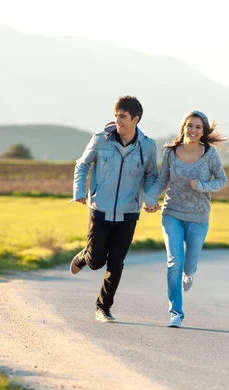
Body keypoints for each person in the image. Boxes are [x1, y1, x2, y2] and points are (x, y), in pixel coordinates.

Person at [70, 96, 158, 323]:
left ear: (135, 119)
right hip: (100, 209)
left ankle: (103, 307)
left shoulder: (147, 146)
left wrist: (149, 199)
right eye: (116, 115)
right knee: (96, 261)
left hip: (129, 213)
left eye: (123, 116)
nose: (117, 120)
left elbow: (151, 176)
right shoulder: (100, 140)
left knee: (116, 263)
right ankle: (86, 255)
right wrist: (80, 190)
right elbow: (82, 164)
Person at [144, 110, 229, 328]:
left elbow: (221, 180)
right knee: (174, 262)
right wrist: (151, 196)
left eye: (198, 127)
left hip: (199, 218)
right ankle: (176, 313)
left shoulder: (209, 154)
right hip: (172, 213)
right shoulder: (171, 153)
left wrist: (202, 187)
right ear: (183, 127)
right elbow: (162, 181)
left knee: (188, 266)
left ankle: (189, 274)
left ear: (203, 132)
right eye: (190, 125)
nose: (193, 130)